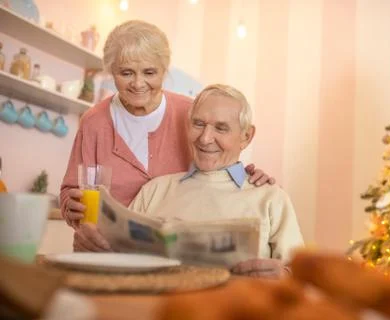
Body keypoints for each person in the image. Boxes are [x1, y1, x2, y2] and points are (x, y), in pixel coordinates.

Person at [60, 20, 273, 233]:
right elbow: (71, 190)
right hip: (102, 248)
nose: (138, 83)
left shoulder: (190, 113)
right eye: (126, 73)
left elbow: (218, 167)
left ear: (164, 70)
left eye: (149, 72)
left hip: (170, 253)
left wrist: (249, 176)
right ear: (111, 72)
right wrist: (72, 207)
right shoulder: (94, 122)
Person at [74, 84, 304, 278]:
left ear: (246, 136)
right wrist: (92, 247)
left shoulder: (271, 197)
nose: (205, 138)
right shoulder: (154, 189)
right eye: (198, 124)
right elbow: (117, 264)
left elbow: (304, 279)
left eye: (221, 128)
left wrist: (285, 275)